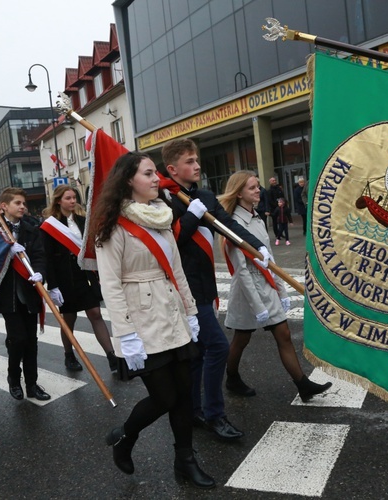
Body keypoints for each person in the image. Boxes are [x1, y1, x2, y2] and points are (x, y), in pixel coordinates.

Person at [92, 152, 214, 489]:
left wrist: (191, 313)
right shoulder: (113, 225)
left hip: (172, 313)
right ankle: (126, 438)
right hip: (142, 321)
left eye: (155, 173)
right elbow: (111, 284)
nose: (156, 178)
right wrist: (126, 334)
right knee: (164, 397)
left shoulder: (162, 215)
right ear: (128, 180)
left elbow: (175, 271)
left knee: (185, 394)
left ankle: (185, 461)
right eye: (148, 174)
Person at [160, 138, 270, 441]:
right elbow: (172, 243)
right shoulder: (162, 199)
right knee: (218, 346)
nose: (197, 166)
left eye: (197, 160)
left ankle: (194, 409)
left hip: (205, 283)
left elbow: (228, 226)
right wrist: (192, 216)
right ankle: (214, 415)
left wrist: (258, 247)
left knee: (198, 354)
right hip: (183, 287)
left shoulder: (205, 195)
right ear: (172, 168)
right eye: (189, 162)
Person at [218, 171, 331, 401]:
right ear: (238, 193)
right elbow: (241, 271)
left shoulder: (258, 218)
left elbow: (271, 261)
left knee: (284, 334)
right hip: (246, 291)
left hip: (266, 285)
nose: (258, 190)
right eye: (252, 188)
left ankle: (303, 385)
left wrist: (281, 290)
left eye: (258, 186)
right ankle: (231, 377)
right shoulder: (232, 224)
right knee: (242, 339)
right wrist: (258, 306)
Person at [41, 185, 117, 373]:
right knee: (69, 319)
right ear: (59, 201)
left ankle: (112, 357)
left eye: (74, 197)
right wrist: (53, 286)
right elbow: (48, 258)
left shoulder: (84, 221)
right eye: (68, 198)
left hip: (85, 276)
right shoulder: (49, 226)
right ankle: (69, 355)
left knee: (95, 314)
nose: (73, 201)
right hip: (65, 279)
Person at [0, 188, 51, 402]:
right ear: (4, 206)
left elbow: (40, 255)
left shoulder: (31, 229)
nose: (23, 206)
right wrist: (6, 252)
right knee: (18, 339)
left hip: (29, 291)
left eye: (24, 203)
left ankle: (32, 384)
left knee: (31, 341)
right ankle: (14, 379)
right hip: (8, 295)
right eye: (17, 203)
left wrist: (40, 272)